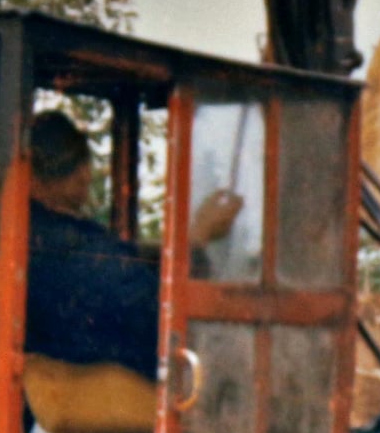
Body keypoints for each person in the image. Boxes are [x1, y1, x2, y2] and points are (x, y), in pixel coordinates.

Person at [24, 110, 240, 377]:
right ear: (82, 174)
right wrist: (196, 243)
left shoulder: (30, 236)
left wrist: (174, 246)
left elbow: (120, 259)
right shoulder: (67, 250)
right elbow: (158, 316)